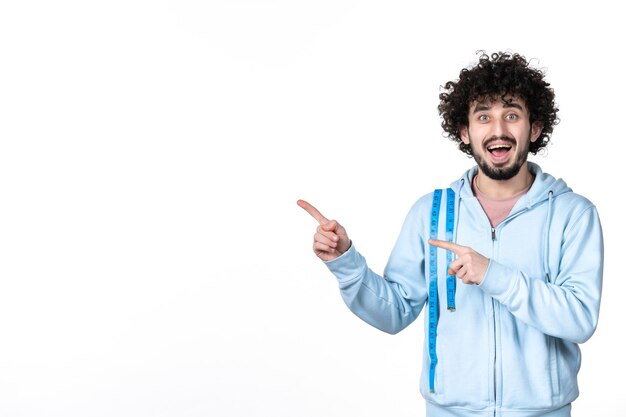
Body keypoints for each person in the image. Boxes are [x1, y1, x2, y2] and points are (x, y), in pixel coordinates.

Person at [297, 51, 603, 417]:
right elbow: (394, 312)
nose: (498, 130)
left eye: (512, 115)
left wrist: (493, 274)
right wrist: (345, 262)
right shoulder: (432, 213)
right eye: (483, 117)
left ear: (534, 128)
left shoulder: (572, 214)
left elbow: (579, 319)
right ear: (465, 132)